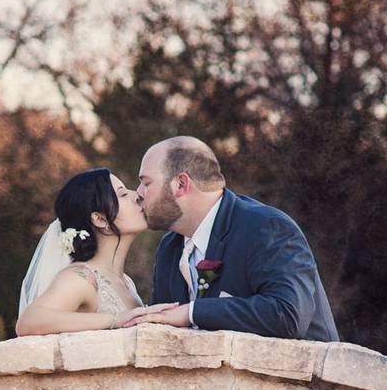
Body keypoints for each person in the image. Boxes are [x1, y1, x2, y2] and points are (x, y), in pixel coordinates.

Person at [128, 136, 339, 341]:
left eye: (146, 183)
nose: (138, 193)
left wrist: (191, 312)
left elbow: (287, 315)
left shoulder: (266, 227)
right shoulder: (170, 247)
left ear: (181, 184)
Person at [16, 168, 176, 335]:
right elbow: (28, 322)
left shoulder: (126, 282)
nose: (136, 195)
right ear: (100, 219)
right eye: (122, 195)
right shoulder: (80, 277)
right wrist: (115, 319)